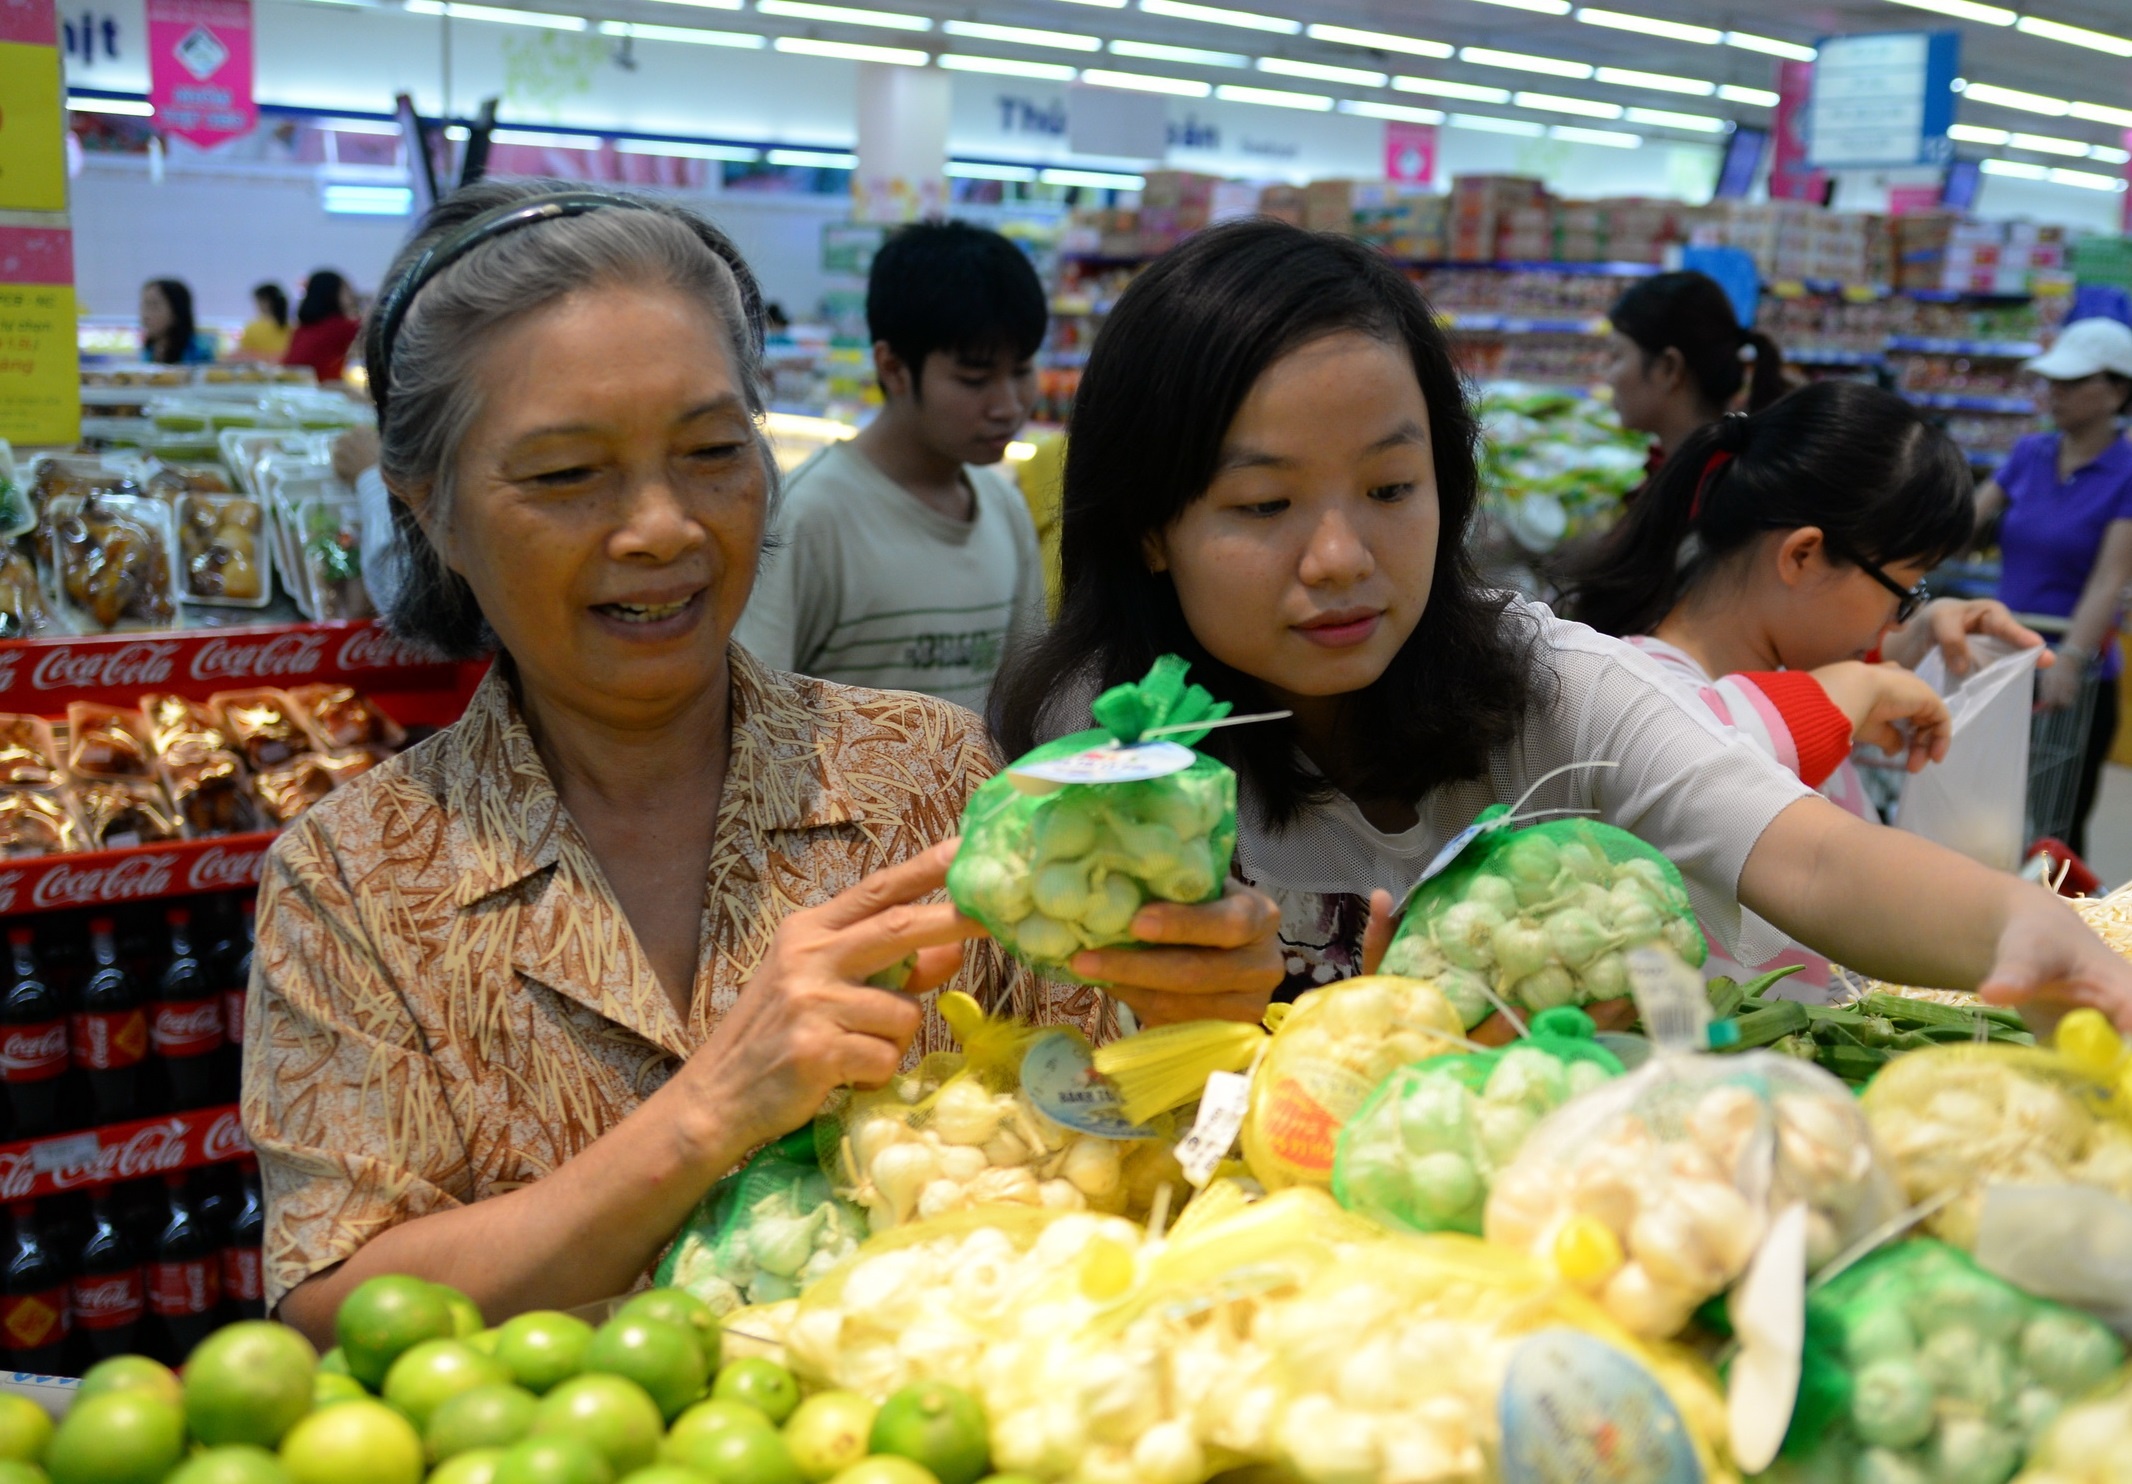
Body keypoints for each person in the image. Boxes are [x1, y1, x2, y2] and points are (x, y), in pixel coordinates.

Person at [242, 181, 1279, 1343]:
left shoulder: (923, 778)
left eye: (710, 451)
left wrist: (1198, 1016)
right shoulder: (358, 878)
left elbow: (1116, 1148)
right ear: (427, 507)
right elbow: (340, 1311)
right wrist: (708, 1111)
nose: (663, 528)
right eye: (565, 474)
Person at [991, 219, 2132, 1030]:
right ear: (1149, 524)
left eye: (1392, 489)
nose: (1340, 558)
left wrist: (2033, 933)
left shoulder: (1548, 686)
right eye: (1261, 504)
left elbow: (1816, 858)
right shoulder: (1099, 749)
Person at [1561, 381, 2049, 996]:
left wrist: (1921, 631)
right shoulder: (1636, 695)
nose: (1891, 623)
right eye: (1902, 591)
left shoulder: (1788, 673)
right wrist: (1858, 687)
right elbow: (1714, 759)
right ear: (1802, 556)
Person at [736, 221, 1045, 710]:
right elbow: (755, 713)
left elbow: (1023, 695)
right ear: (894, 368)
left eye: (1023, 371)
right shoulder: (809, 516)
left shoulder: (1004, 506)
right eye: (974, 379)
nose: (1008, 405)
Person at [1973, 317, 2132, 859]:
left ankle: (2068, 934)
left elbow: (2110, 576)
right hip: (2002, 663)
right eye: (2053, 381)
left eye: (2073, 382)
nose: (2055, 393)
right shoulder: (2030, 453)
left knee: (2055, 833)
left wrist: (2071, 659)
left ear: (2118, 390)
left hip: (2073, 679)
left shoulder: (2127, 471)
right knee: (1987, 821)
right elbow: (1967, 521)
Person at [1605, 270, 1786, 476]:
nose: (1609, 378)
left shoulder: (1706, 494)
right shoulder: (1705, 472)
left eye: (1617, 356)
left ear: (1669, 368)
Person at [282, 269, 362, 382]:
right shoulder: (341, 327)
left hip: (292, 384)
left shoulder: (302, 327)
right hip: (322, 389)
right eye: (346, 290)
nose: (353, 295)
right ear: (333, 293)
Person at [140, 278, 214, 365]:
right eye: (144, 306)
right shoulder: (149, 350)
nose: (145, 315)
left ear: (176, 311)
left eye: (154, 306)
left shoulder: (199, 351)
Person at [237, 282, 292, 360]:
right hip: (288, 371)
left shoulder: (253, 328)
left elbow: (243, 355)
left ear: (265, 302)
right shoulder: (293, 328)